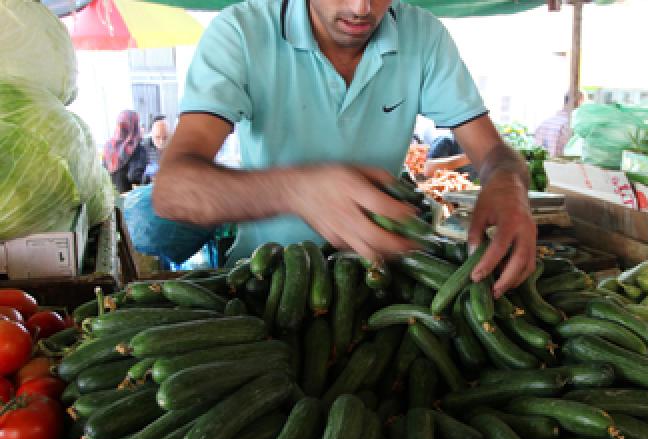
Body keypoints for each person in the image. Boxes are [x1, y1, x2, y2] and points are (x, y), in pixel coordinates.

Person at [153, 0, 537, 297]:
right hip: (266, 282)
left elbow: (493, 153)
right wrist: (296, 191)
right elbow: (173, 190)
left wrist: (508, 182)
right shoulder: (242, 32)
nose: (361, 8)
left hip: (381, 282)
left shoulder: (423, 35)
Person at [102, 110, 147, 194]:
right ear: (134, 126)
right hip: (130, 199)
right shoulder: (136, 148)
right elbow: (134, 176)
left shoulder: (108, 147)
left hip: (112, 198)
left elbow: (103, 174)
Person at [534, 92, 584, 158]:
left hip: (542, 165)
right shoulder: (570, 126)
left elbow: (536, 150)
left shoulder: (545, 122)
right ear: (577, 102)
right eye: (582, 103)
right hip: (559, 166)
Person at [138, 115, 171, 184]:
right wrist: (149, 177)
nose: (161, 142)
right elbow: (138, 177)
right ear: (151, 135)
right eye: (157, 137)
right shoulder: (143, 147)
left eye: (165, 137)